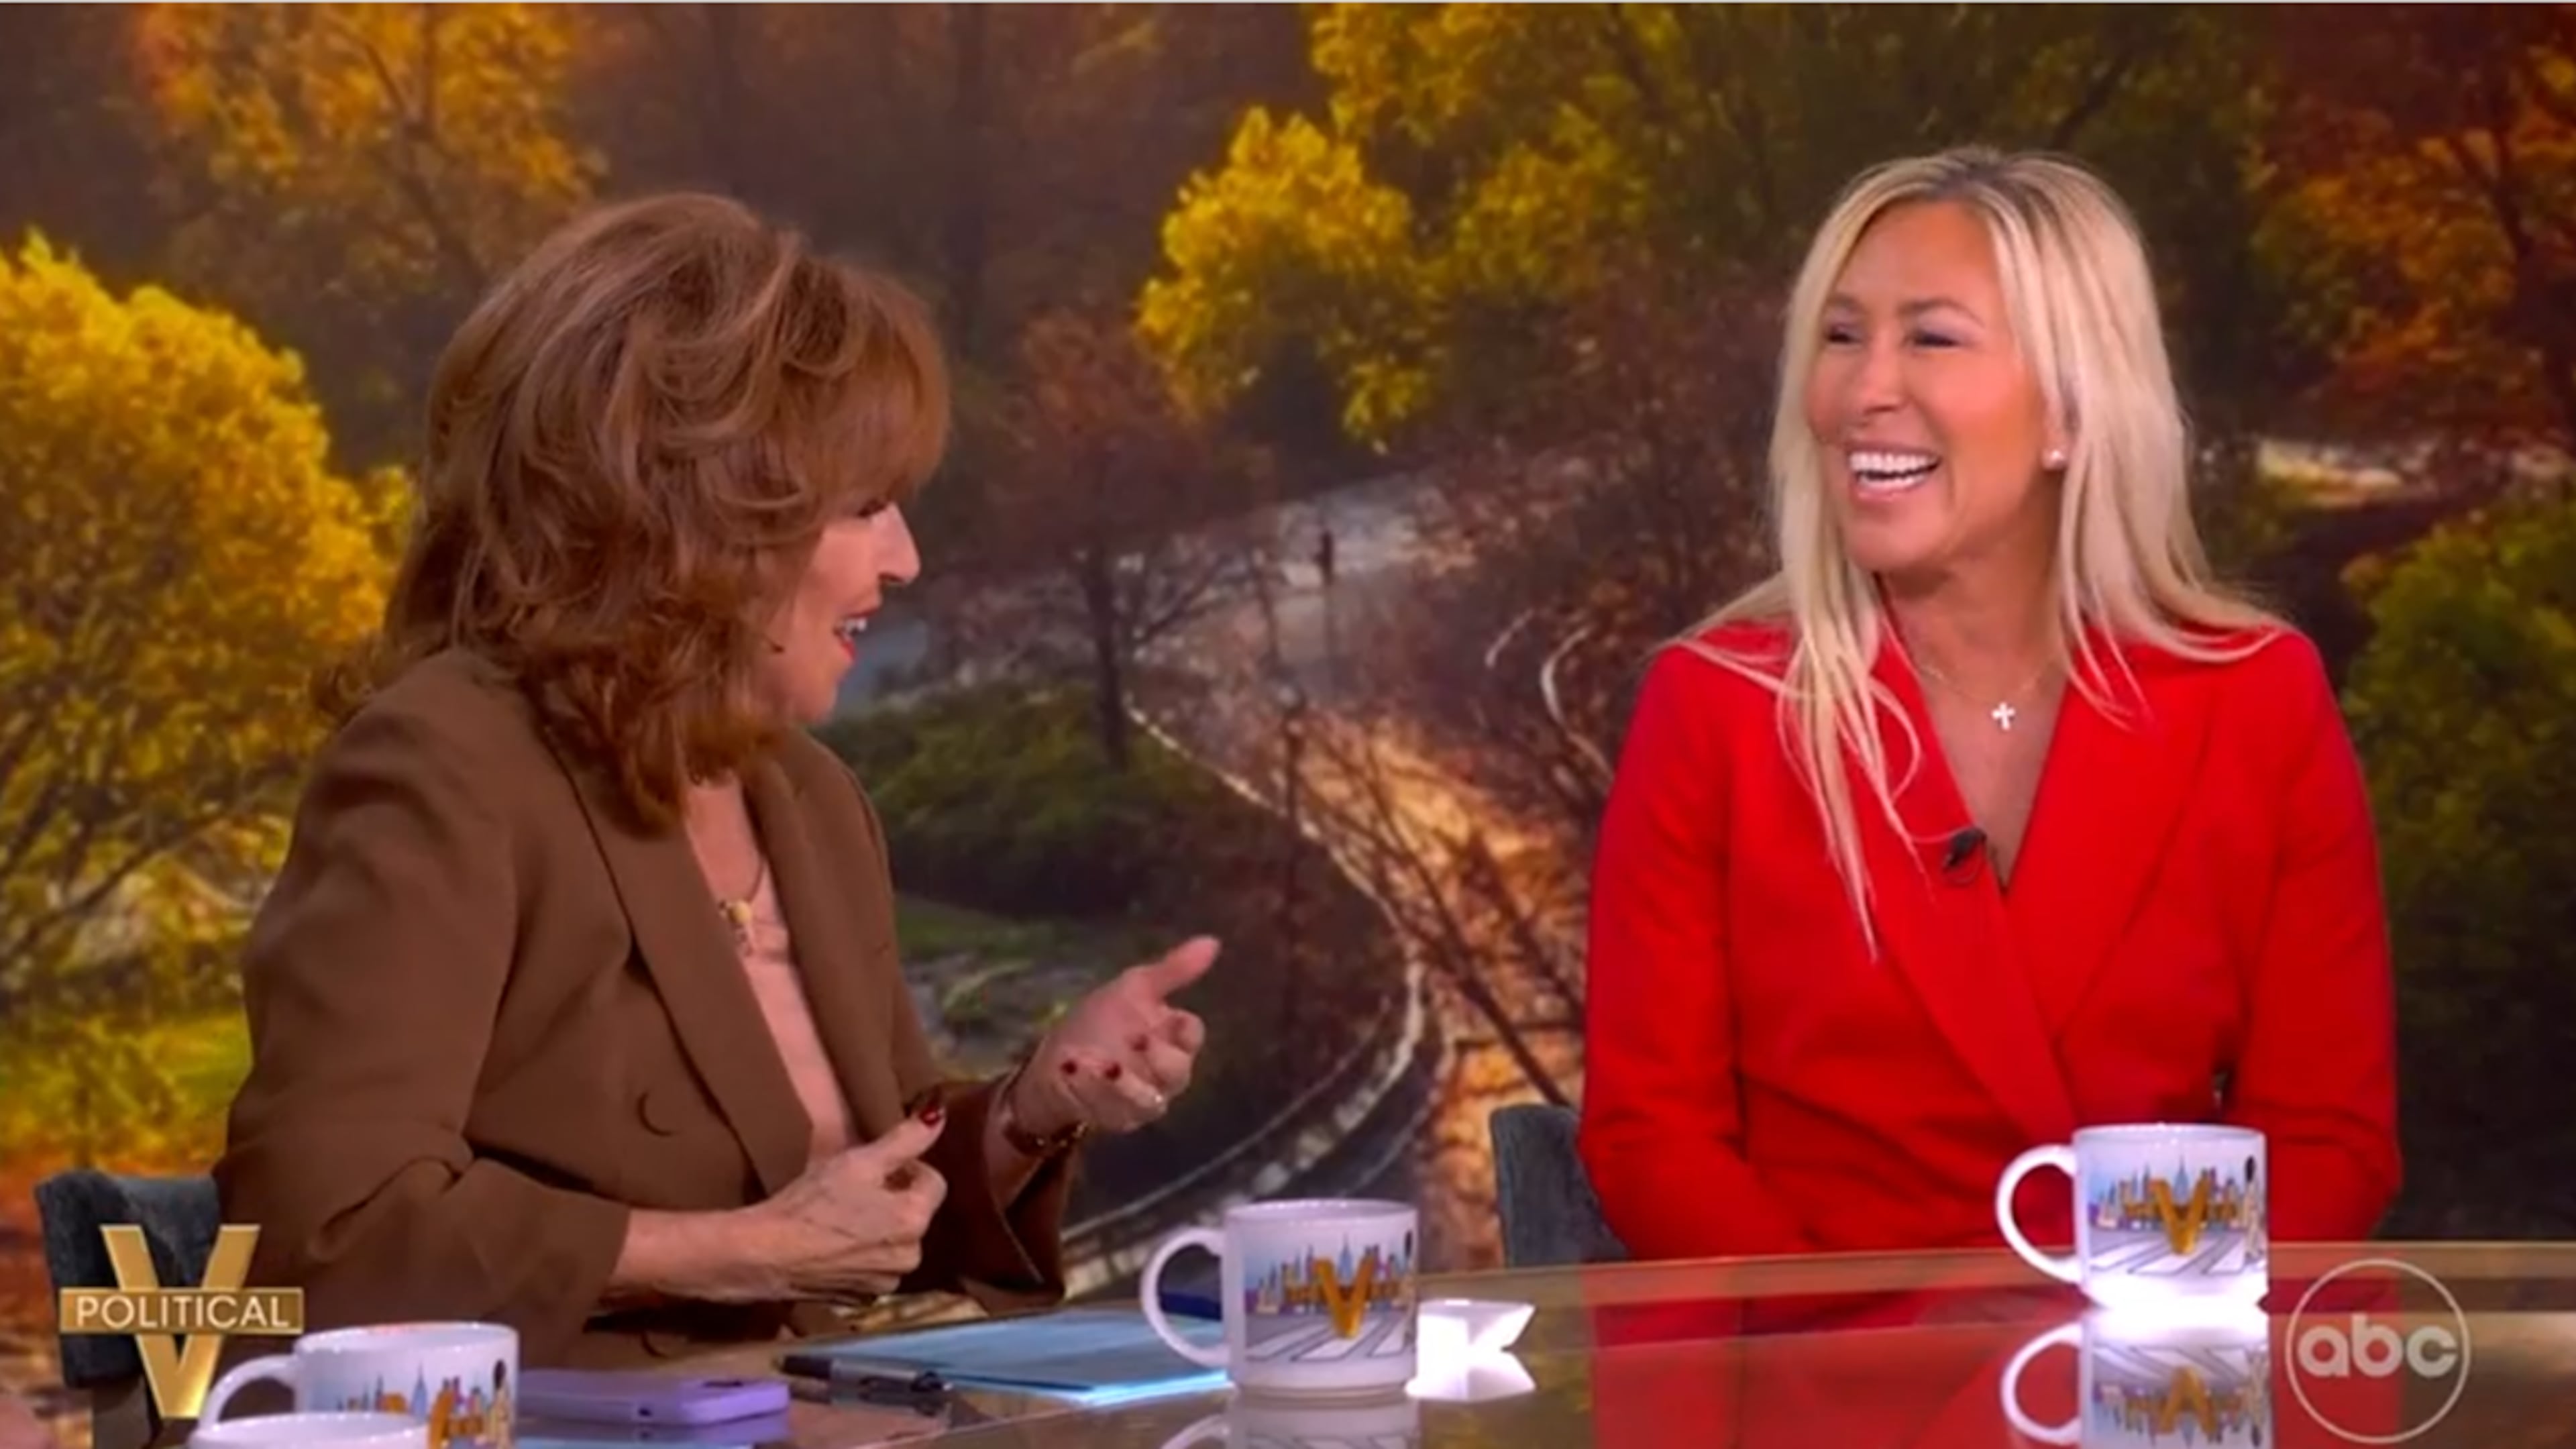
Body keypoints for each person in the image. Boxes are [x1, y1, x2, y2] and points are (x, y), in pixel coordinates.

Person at [215, 193, 1219, 1366]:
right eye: (866, 509)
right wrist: (735, 1251)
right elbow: (315, 1241)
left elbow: (872, 1203)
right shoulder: (443, 769)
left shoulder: (812, 800)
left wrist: (1036, 1106)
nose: (906, 560)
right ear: (704, 518)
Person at [1578, 146, 2400, 1261]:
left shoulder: (2254, 703)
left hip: (2154, 1390)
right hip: (1826, 1394)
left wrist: (2146, 1341)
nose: (1863, 390)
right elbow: (1651, 1138)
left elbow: (2327, 1137)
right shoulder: (1715, 710)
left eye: (1931, 336)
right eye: (1840, 335)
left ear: (2069, 408)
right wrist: (1864, 1361)